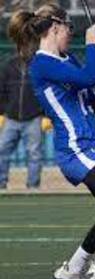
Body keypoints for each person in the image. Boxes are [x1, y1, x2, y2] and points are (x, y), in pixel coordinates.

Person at [8, 3, 95, 279]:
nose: (72, 33)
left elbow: (85, 98)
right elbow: (88, 78)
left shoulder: (66, 59)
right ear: (55, 27)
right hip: (75, 149)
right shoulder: (42, 63)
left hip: (87, 146)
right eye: (70, 28)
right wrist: (92, 43)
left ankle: (73, 269)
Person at [0, 54, 50, 189]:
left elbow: (47, 92)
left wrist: (46, 116)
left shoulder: (40, 66)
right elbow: (2, 90)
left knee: (35, 154)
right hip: (11, 118)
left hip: (34, 118)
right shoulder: (9, 65)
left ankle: (33, 187)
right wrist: (1, 112)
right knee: (2, 150)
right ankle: (1, 184)